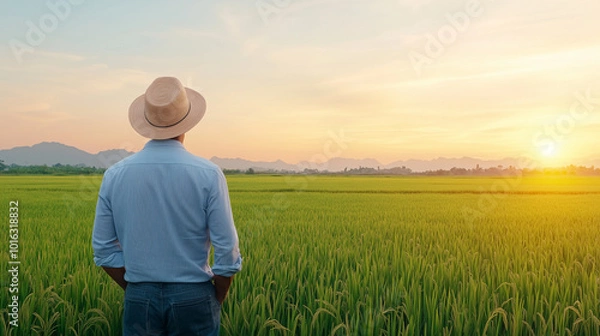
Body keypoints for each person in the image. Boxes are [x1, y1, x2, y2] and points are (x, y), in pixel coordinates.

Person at [92, 77, 242, 336]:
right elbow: (227, 250)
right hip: (195, 295)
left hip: (139, 296)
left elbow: (103, 250)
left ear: (147, 124)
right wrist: (215, 297)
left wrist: (137, 290)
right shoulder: (208, 174)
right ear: (187, 123)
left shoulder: (115, 175)